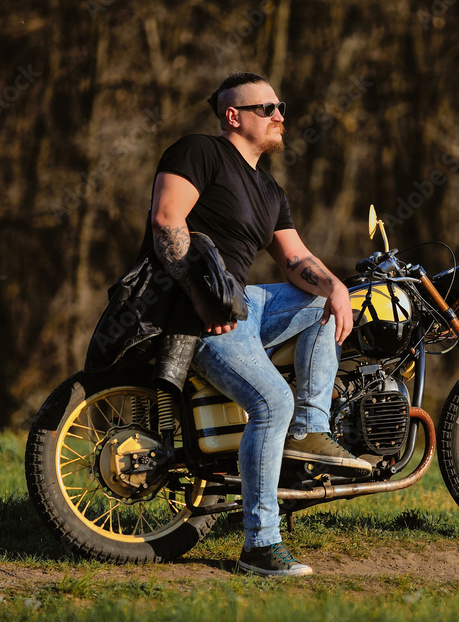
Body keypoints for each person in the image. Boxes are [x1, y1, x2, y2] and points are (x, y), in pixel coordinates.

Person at [147, 71, 371, 577]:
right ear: (234, 116)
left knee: (319, 305)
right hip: (194, 310)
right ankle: (259, 546)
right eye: (267, 108)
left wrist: (336, 287)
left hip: (244, 302)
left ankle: (311, 431)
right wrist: (206, 303)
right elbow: (167, 222)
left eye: (281, 107)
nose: (280, 116)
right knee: (272, 402)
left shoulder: (269, 189)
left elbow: (295, 261)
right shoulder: (198, 152)